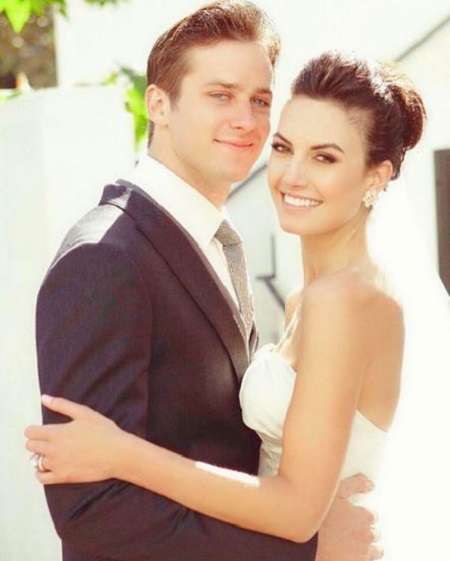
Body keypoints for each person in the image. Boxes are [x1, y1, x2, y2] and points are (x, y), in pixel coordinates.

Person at [25, 3, 378, 561]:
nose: (247, 120)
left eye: (259, 100)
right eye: (221, 95)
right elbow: (91, 512)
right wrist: (303, 550)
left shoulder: (219, 242)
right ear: (158, 105)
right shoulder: (104, 259)